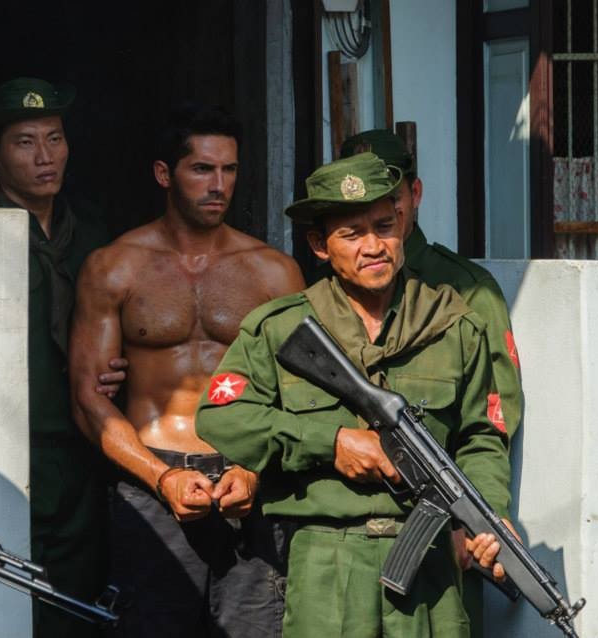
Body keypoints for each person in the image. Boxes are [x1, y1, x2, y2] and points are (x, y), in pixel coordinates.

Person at [196, 152, 515, 638]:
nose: (374, 245)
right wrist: (332, 442)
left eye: (384, 225)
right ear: (320, 246)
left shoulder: (454, 325)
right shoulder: (281, 329)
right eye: (352, 233)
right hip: (328, 564)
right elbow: (222, 417)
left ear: (403, 224)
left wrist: (489, 517)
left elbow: (481, 437)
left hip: (430, 567)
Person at [69, 104, 306, 637]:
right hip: (151, 480)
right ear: (164, 174)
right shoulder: (115, 266)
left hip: (246, 477)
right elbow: (89, 400)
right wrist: (163, 477)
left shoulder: (273, 271)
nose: (218, 185)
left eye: (229, 170)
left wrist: (255, 469)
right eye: (202, 169)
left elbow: (300, 394)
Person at [340, 129, 524, 637]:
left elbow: (493, 415)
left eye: (391, 202)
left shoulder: (464, 289)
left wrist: (480, 511)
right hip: (345, 542)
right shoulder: (324, 294)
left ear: (413, 195)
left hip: (440, 526)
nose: (377, 232)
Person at [0, 77, 122, 638]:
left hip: (80, 446)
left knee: (75, 605)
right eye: (25, 142)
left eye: (55, 139)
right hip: (5, 445)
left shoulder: (93, 232)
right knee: (3, 600)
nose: (45, 157)